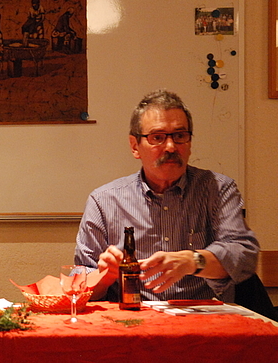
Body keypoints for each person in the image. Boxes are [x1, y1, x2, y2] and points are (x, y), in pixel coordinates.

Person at [74, 89, 259, 304]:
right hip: (132, 321)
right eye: (157, 138)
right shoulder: (104, 201)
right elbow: (79, 285)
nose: (171, 147)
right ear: (135, 146)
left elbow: (244, 255)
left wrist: (194, 260)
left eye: (180, 136)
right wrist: (104, 278)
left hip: (203, 318)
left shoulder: (218, 189)